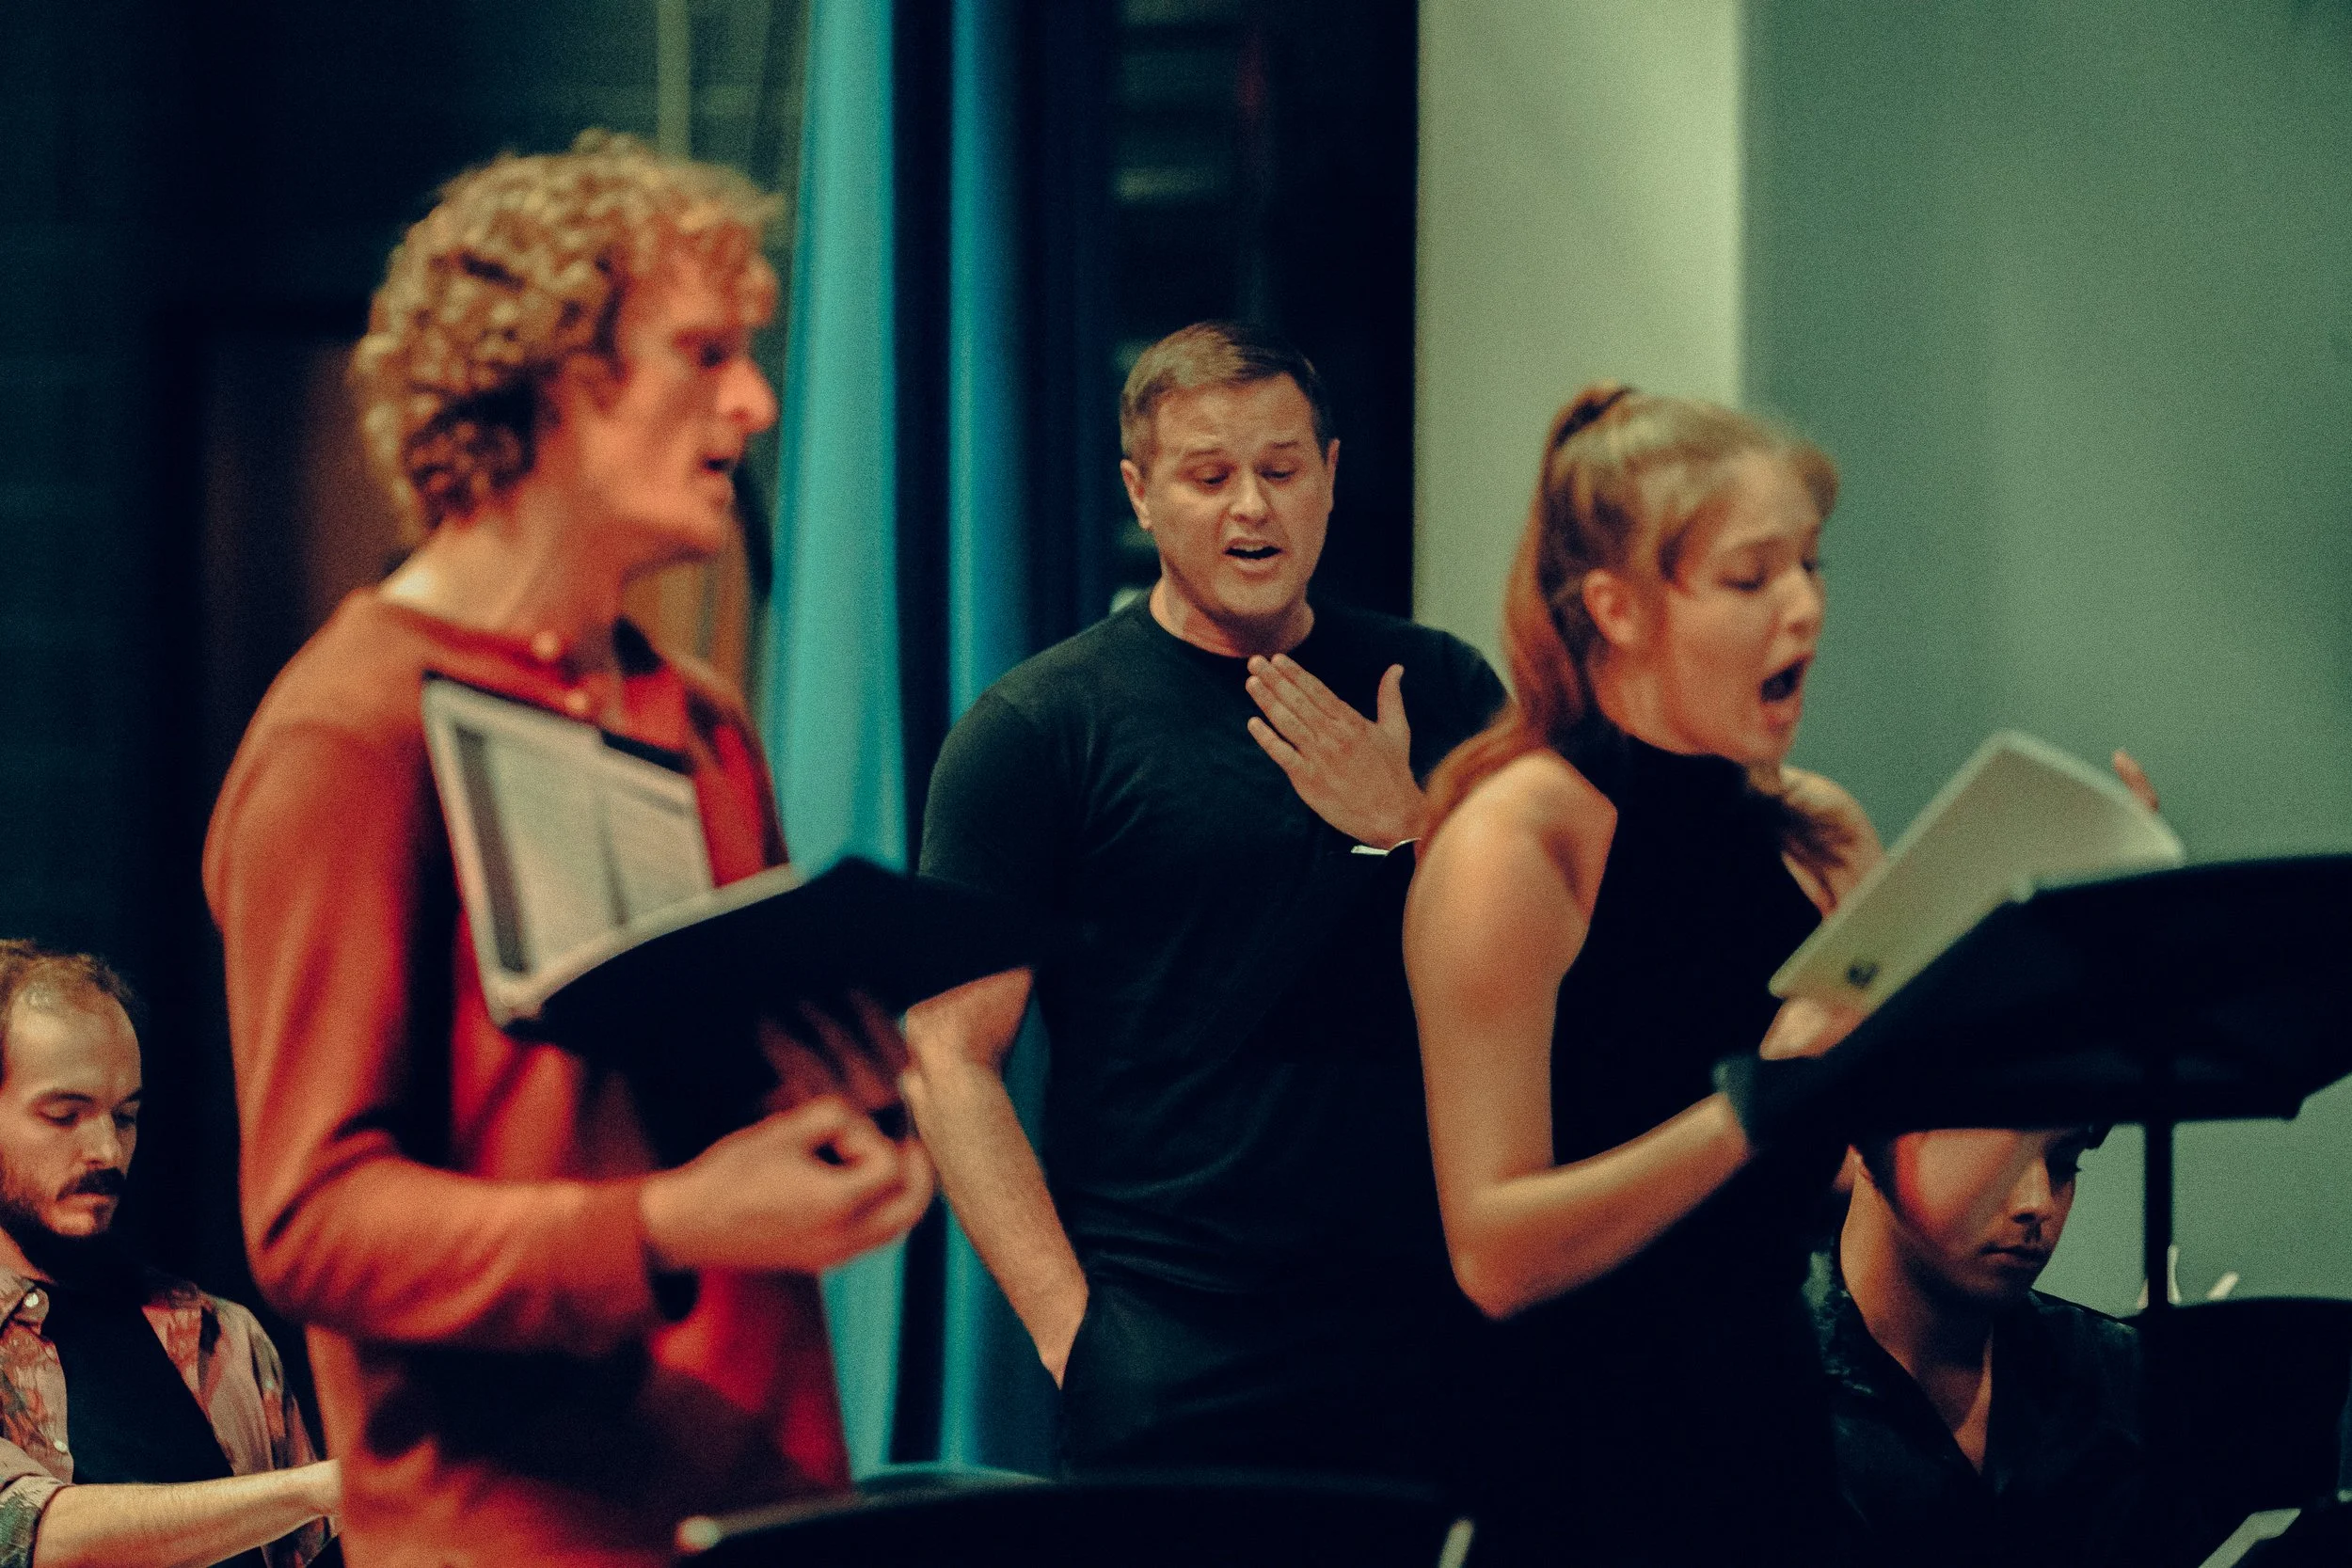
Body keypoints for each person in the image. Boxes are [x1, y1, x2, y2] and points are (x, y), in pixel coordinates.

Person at [203, 133, 931, 1567]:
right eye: (703, 351)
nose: (755, 400)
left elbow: (672, 1122)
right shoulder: (349, 733)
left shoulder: (698, 718)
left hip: (758, 1505)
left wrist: (837, 1123)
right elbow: (313, 1220)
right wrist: (671, 1217)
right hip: (512, 1533)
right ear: (545, 379)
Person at [905, 321, 1505, 1481]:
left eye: (1281, 471)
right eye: (1208, 475)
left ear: (1332, 472)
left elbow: (1565, 979)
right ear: (1140, 492)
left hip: (1423, 1329)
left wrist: (1410, 828)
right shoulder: (1040, 727)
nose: (1251, 512)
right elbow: (947, 1051)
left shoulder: (1437, 686)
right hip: (1167, 1335)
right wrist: (1071, 1334)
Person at [1403, 384, 1883, 1562]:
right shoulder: (1518, 841)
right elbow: (1494, 1252)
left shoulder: (1817, 833)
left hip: (1773, 1451)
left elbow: (1877, 1194)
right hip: (1580, 1474)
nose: (1805, 608)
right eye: (1751, 577)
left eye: (1811, 567)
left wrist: (2069, 955)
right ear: (1615, 607)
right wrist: (1751, 1106)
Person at [0, 942, 338, 1568]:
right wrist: (318, 1488)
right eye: (64, 1115)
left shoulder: (224, 1335)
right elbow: (26, 1535)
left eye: (125, 1116)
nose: (106, 1149)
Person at [1811, 1125, 2154, 1566]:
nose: (2039, 1204)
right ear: (1872, 1141)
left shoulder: (2114, 1375)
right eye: (1993, 1164)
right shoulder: (1754, 1391)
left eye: (2063, 1164)